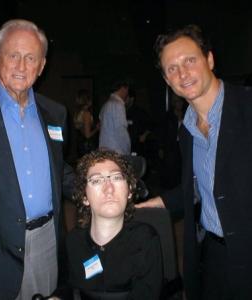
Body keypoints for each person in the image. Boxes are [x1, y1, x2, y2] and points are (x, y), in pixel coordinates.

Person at [0, 19, 74, 300]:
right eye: (13, 55)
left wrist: (98, 184)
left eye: (31, 58)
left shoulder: (56, 113)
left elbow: (58, 170)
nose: (21, 66)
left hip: (47, 243)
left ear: (42, 66)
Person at [136, 24, 252, 300]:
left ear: (209, 60)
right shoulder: (186, 129)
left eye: (190, 60)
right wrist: (156, 204)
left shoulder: (247, 108)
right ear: (166, 80)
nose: (182, 73)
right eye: (172, 68)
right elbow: (201, 187)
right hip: (213, 255)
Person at [65, 150, 163, 299]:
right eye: (97, 180)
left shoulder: (144, 239)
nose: (109, 188)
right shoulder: (73, 242)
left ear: (129, 191)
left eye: (117, 178)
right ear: (84, 197)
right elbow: (65, 288)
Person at [99, 80, 131, 155]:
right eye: (127, 90)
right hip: (116, 151)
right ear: (123, 88)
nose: (127, 93)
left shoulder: (105, 105)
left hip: (104, 149)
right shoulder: (118, 105)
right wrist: (127, 150)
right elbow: (121, 130)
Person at [73, 89, 99, 157]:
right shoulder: (86, 114)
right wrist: (97, 128)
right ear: (87, 100)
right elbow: (87, 135)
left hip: (80, 144)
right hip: (87, 146)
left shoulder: (78, 113)